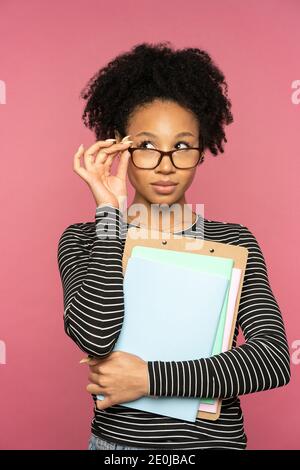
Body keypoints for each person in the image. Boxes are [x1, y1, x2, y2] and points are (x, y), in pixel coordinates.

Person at [57, 42, 290, 450]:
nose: (166, 164)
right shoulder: (83, 238)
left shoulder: (233, 241)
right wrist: (110, 214)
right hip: (120, 448)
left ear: (203, 149)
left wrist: (148, 379)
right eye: (146, 146)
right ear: (120, 146)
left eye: (182, 146)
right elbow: (95, 337)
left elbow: (271, 360)